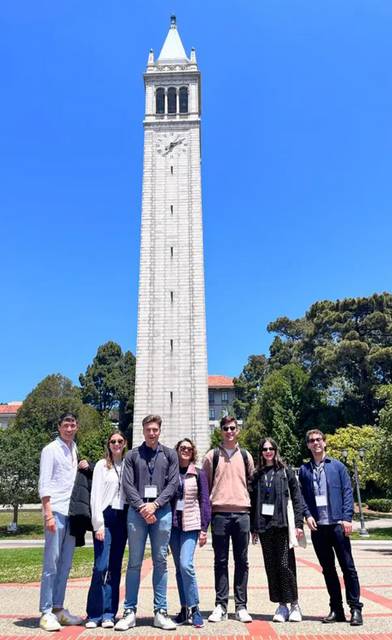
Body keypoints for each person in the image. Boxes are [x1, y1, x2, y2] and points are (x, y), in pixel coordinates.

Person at [115, 415, 179, 631]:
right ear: (143, 431)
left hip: (161, 513)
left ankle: (160, 612)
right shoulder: (132, 455)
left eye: (155, 429)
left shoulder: (170, 455)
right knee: (134, 563)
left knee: (161, 562)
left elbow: (172, 484)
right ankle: (129, 611)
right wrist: (143, 506)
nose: (152, 433)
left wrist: (156, 505)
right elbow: (127, 484)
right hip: (137, 513)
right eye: (148, 429)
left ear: (160, 431)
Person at [299, 429, 363, 626]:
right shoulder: (305, 470)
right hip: (318, 528)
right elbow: (300, 497)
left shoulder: (338, 467)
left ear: (324, 443)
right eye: (312, 441)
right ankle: (336, 609)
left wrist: (347, 518)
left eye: (319, 440)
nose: (316, 443)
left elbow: (347, 493)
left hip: (337, 525)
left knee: (348, 567)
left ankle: (355, 608)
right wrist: (307, 516)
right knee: (328, 570)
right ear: (308, 445)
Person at [202, 415, 254, 623]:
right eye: (226, 428)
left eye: (233, 428)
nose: (229, 431)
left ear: (238, 430)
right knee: (220, 562)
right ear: (221, 431)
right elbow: (204, 488)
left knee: (242, 561)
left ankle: (241, 606)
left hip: (242, 513)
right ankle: (221, 605)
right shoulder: (211, 456)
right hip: (220, 514)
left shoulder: (245, 455)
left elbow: (252, 483)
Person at [38, 412, 84, 631]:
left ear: (76, 427)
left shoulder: (74, 449)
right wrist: (47, 514)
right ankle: (46, 612)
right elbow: (44, 483)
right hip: (55, 511)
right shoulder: (50, 450)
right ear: (59, 427)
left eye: (72, 424)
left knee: (65, 564)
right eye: (66, 424)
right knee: (51, 564)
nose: (69, 428)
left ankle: (58, 608)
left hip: (71, 512)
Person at [250, 437, 304, 623]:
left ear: (275, 450)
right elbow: (252, 501)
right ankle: (281, 605)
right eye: (264, 449)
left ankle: (294, 604)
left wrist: (298, 524)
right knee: (271, 567)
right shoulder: (257, 474)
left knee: (285, 564)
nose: (268, 451)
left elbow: (297, 498)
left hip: (282, 525)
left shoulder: (285, 471)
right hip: (264, 527)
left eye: (271, 448)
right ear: (261, 452)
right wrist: (253, 528)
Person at [85, 430, 128, 628]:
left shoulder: (128, 464)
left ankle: (110, 613)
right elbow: (95, 496)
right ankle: (94, 614)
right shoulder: (102, 466)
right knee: (100, 566)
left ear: (125, 443)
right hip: (106, 516)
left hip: (122, 518)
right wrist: (98, 524)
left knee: (115, 568)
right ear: (109, 444)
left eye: (120, 441)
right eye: (113, 441)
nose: (116, 444)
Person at [170, 438, 211, 628]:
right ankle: (184, 607)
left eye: (188, 448)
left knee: (186, 565)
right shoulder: (170, 471)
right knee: (179, 569)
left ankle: (195, 608)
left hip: (191, 524)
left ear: (192, 451)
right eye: (182, 448)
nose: (185, 450)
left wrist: (204, 528)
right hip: (173, 525)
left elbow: (204, 501)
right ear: (177, 450)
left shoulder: (199, 473)